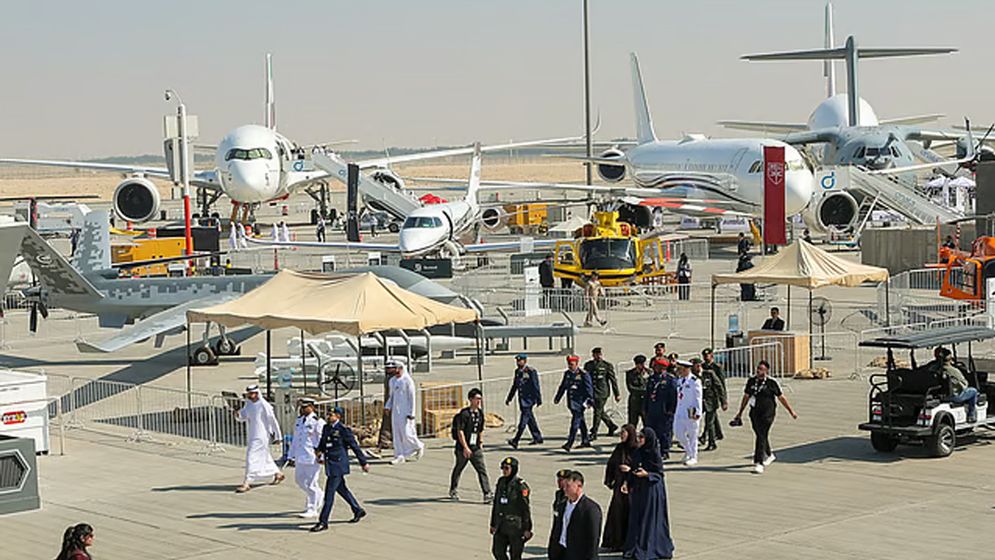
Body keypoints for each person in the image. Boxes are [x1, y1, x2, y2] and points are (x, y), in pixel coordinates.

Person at [732, 360, 798, 474]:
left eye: (761, 369)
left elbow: (781, 397)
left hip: (768, 414)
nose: (758, 371)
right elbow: (746, 397)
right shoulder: (751, 381)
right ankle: (770, 454)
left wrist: (791, 411)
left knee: (761, 435)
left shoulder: (771, 383)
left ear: (766, 371)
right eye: (758, 368)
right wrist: (740, 413)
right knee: (760, 435)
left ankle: (759, 462)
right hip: (754, 413)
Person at [310, 406, 369, 532]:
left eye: (331, 414)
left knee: (329, 494)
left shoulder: (343, 430)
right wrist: (319, 452)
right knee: (342, 489)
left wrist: (363, 462)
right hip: (330, 463)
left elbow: (354, 447)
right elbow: (323, 442)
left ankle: (323, 521)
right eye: (328, 414)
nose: (329, 416)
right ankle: (357, 510)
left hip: (338, 465)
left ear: (338, 416)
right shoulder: (326, 428)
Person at [622, 428, 675, 560]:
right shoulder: (638, 452)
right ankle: (634, 547)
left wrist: (647, 474)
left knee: (648, 518)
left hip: (651, 491)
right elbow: (634, 467)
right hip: (639, 490)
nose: (639, 440)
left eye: (642, 437)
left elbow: (659, 474)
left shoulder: (654, 454)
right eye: (638, 437)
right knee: (636, 517)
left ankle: (649, 546)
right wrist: (627, 482)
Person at [234, 384, 284, 493]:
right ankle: (278, 473)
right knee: (264, 457)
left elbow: (272, 420)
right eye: (249, 394)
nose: (251, 396)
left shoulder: (264, 405)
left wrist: (278, 435)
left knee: (251, 457)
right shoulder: (248, 404)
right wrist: (237, 414)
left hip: (261, 436)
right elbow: (243, 416)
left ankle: (247, 482)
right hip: (252, 435)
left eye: (252, 394)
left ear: (257, 393)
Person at [547, 471, 602, 560]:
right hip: (561, 552)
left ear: (579, 486)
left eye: (568, 486)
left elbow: (593, 538)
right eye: (564, 486)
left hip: (578, 554)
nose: (564, 489)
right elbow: (556, 528)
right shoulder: (562, 505)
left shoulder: (590, 509)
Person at [450, 388, 493, 502]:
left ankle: (487, 493)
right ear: (470, 399)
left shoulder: (480, 414)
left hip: (475, 447)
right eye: (476, 399)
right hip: (463, 448)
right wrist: (465, 447)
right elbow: (460, 431)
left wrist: (480, 442)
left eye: (480, 399)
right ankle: (453, 489)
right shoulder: (464, 414)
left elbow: (480, 429)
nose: (478, 401)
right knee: (459, 468)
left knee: (481, 469)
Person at [601, 424, 638, 553]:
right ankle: (615, 541)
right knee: (617, 514)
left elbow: (641, 467)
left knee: (629, 513)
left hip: (631, 488)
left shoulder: (636, 449)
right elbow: (611, 463)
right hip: (619, 486)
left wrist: (630, 470)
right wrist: (609, 479)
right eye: (621, 433)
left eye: (624, 433)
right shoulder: (619, 448)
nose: (621, 435)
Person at [490, 457, 533, 560]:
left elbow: (525, 508)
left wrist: (527, 528)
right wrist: (492, 524)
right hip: (501, 525)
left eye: (506, 468)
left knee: (515, 555)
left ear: (513, 469)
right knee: (497, 551)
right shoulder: (501, 482)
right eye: (502, 468)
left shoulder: (520, 486)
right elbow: (496, 504)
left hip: (516, 527)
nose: (504, 471)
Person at [289, 398, 326, 518]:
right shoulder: (299, 421)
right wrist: (291, 455)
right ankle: (318, 494)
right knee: (299, 480)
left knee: (311, 483)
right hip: (300, 455)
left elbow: (323, 440)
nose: (302, 409)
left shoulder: (318, 422)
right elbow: (295, 439)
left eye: (305, 407)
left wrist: (323, 455)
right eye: (301, 407)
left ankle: (312, 508)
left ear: (312, 407)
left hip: (312, 456)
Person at [384, 361, 425, 465]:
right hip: (395, 412)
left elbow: (412, 398)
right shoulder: (392, 381)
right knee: (396, 434)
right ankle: (399, 455)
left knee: (407, 433)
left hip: (405, 412)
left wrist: (411, 413)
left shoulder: (407, 381)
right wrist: (387, 406)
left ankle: (418, 445)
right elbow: (391, 396)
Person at [554, 355, 594, 451]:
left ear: (576, 364)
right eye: (569, 364)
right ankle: (586, 440)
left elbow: (589, 388)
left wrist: (590, 400)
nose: (570, 366)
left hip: (580, 403)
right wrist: (558, 397)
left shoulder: (583, 374)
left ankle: (569, 443)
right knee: (581, 421)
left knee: (575, 423)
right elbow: (563, 386)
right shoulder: (567, 374)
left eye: (572, 364)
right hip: (571, 402)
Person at [506, 354, 543, 449]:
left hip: (529, 400)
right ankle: (537, 437)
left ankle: (516, 440)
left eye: (520, 361)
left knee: (523, 421)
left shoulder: (531, 371)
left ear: (525, 361)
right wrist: (509, 398)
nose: (518, 363)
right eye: (517, 361)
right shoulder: (517, 372)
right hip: (522, 399)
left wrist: (538, 398)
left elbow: (536, 385)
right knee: (530, 419)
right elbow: (515, 386)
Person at [644, 358, 678, 459]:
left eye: (657, 366)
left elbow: (673, 397)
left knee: (664, 433)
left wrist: (671, 410)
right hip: (652, 410)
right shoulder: (652, 379)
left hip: (664, 411)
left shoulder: (670, 380)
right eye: (655, 366)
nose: (655, 368)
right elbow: (647, 395)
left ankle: (664, 451)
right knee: (651, 431)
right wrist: (645, 408)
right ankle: (651, 450)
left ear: (663, 368)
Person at [584, 347, 620, 440]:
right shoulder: (588, 365)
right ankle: (611, 425)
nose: (598, 356)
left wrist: (617, 393)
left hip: (602, 392)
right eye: (596, 354)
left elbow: (613, 380)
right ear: (593, 355)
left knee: (597, 412)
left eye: (600, 354)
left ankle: (594, 432)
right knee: (600, 411)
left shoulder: (607, 365)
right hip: (592, 392)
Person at [673, 360, 702, 467]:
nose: (678, 371)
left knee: (693, 435)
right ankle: (688, 451)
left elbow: (698, 397)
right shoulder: (680, 380)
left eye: (680, 369)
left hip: (691, 411)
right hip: (680, 411)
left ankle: (693, 456)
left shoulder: (694, 381)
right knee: (678, 433)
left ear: (686, 369)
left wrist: (698, 412)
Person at [698, 349, 727, 451]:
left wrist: (723, 400)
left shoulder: (716, 368)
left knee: (710, 421)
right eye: (704, 356)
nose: (706, 358)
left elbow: (721, 384)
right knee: (712, 419)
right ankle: (717, 434)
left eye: (708, 356)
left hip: (713, 397)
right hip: (703, 398)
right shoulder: (702, 367)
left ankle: (711, 441)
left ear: (711, 356)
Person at [939, 348, 978, 422]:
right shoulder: (953, 370)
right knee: (973, 391)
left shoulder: (935, 368)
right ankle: (971, 415)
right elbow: (965, 383)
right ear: (950, 359)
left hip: (941, 395)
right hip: (954, 396)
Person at [625, 355, 651, 428]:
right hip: (635, 402)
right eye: (640, 364)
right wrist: (645, 391)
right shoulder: (630, 374)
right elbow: (631, 388)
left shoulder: (649, 373)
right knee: (632, 423)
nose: (642, 366)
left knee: (647, 423)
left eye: (643, 364)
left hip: (645, 402)